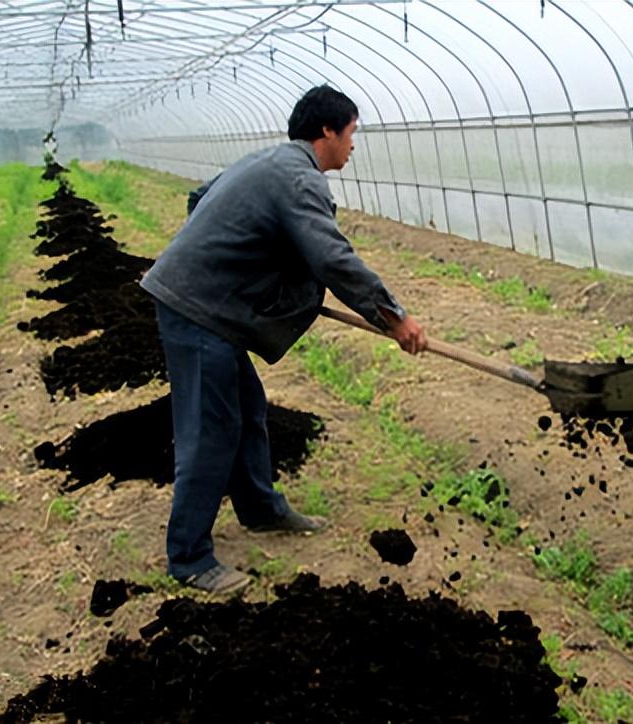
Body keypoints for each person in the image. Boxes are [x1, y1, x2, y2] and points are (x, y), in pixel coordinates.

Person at [140, 86, 426, 593]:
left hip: (207, 306)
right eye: (352, 133)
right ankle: (188, 557)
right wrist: (394, 318)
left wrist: (242, 264)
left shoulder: (269, 162)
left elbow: (199, 199)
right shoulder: (298, 180)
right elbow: (333, 258)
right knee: (210, 431)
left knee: (248, 409)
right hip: (197, 310)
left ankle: (260, 509)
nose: (353, 146)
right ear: (327, 132)